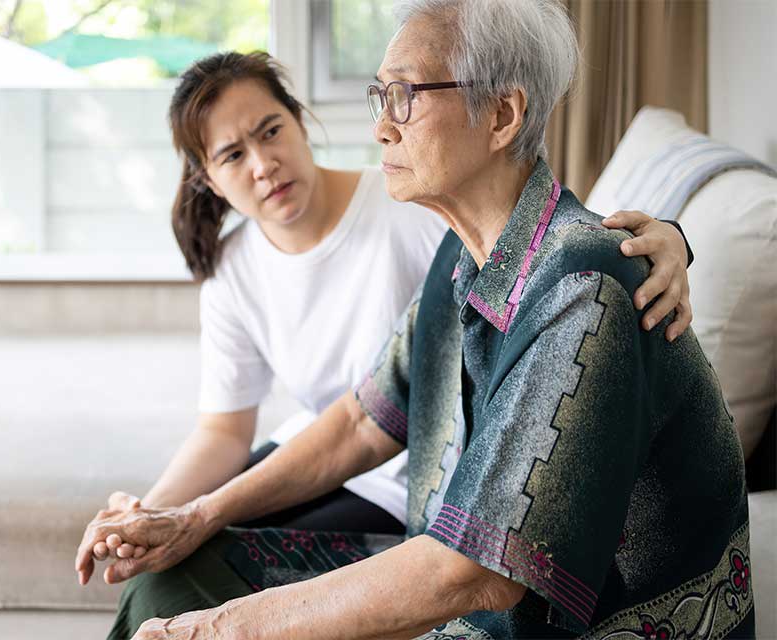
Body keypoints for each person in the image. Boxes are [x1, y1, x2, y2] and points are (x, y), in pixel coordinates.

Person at [77, 2, 753, 631]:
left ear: (502, 116)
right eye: (380, 96)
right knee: (170, 582)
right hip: (443, 560)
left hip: (549, 619)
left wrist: (225, 627)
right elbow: (358, 423)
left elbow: (473, 578)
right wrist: (191, 516)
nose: (380, 125)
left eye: (405, 94)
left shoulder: (583, 290)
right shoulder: (460, 260)